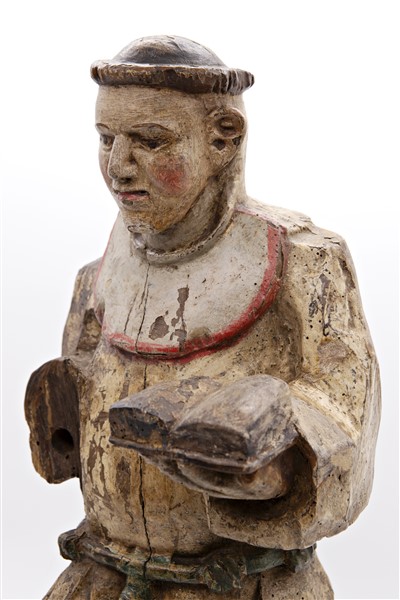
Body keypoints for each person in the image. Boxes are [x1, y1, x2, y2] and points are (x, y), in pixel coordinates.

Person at [25, 35, 380, 600]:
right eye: (106, 138)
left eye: (150, 140)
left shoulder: (305, 262)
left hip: (243, 586)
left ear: (224, 138)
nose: (118, 166)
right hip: (100, 576)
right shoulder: (97, 277)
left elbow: (344, 416)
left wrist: (269, 457)